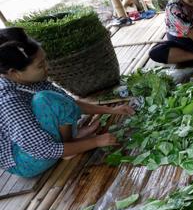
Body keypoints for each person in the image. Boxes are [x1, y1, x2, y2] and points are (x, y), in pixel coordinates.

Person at [0, 28, 134, 178]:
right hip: (25, 161)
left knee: (49, 99)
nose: (47, 67)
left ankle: (70, 141)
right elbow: (44, 150)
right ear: (14, 72)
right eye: (40, 65)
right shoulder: (7, 100)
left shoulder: (29, 78)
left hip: (36, 142)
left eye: (45, 61)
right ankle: (69, 147)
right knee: (45, 99)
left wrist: (112, 110)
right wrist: (96, 141)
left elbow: (68, 103)